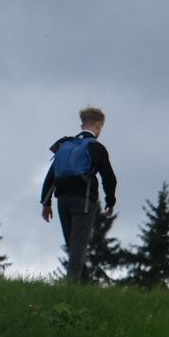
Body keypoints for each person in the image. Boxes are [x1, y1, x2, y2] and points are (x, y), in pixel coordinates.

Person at [41, 107, 118, 284]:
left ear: (82, 125)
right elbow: (109, 177)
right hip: (83, 201)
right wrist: (110, 201)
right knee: (78, 246)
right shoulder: (96, 147)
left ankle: (83, 284)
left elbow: (51, 176)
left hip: (62, 199)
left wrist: (46, 203)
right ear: (98, 127)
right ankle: (71, 287)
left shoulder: (65, 145)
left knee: (72, 244)